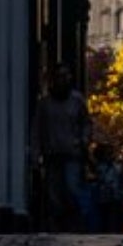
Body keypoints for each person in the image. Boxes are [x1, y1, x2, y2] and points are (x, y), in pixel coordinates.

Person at [34, 68, 90, 228]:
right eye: (59, 77)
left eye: (65, 77)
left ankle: (76, 220)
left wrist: (83, 140)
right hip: (52, 153)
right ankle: (59, 222)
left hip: (72, 152)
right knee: (54, 192)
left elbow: (86, 122)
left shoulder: (77, 101)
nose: (62, 81)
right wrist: (36, 153)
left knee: (72, 187)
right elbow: (37, 129)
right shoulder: (44, 104)